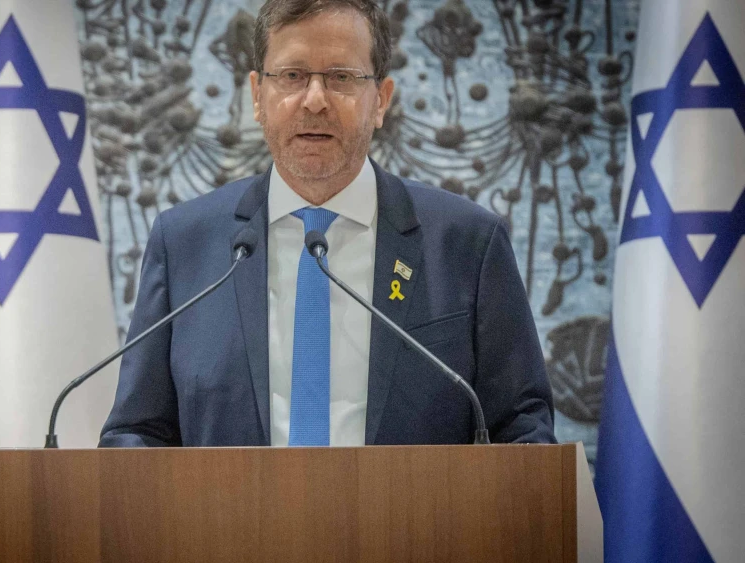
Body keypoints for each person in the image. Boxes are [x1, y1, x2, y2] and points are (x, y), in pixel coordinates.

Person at [99, 0, 555, 447]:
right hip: (230, 523)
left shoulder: (468, 244)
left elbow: (520, 429)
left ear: (381, 101)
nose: (314, 100)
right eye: (292, 76)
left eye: (341, 77)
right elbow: (138, 432)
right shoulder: (183, 243)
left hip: (411, 522)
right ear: (258, 96)